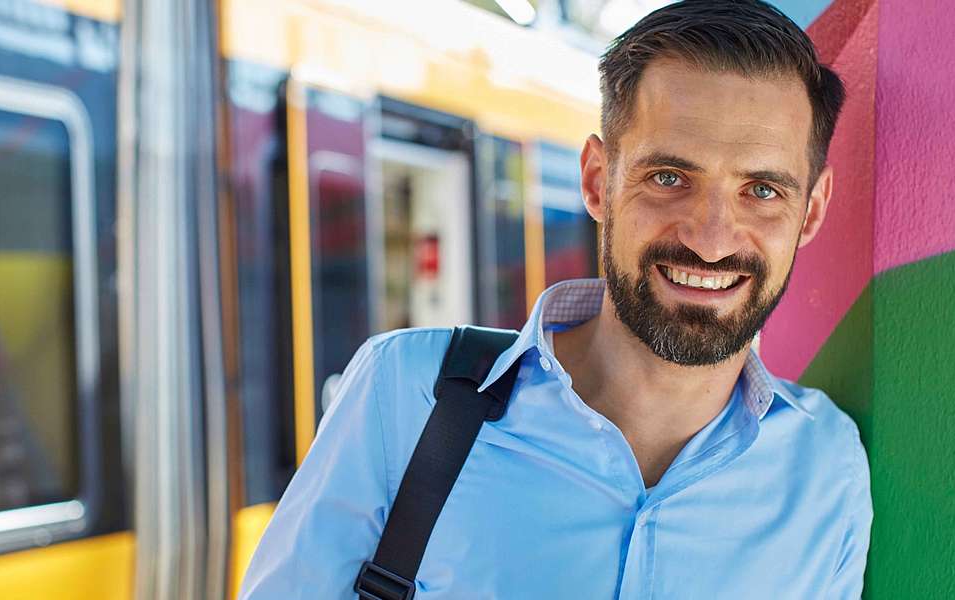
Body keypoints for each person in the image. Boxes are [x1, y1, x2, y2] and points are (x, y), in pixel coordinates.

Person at [239, 1, 871, 597]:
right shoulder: (403, 398)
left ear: (810, 211)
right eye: (669, 178)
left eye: (761, 191)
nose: (710, 241)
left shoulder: (828, 469)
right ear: (598, 182)